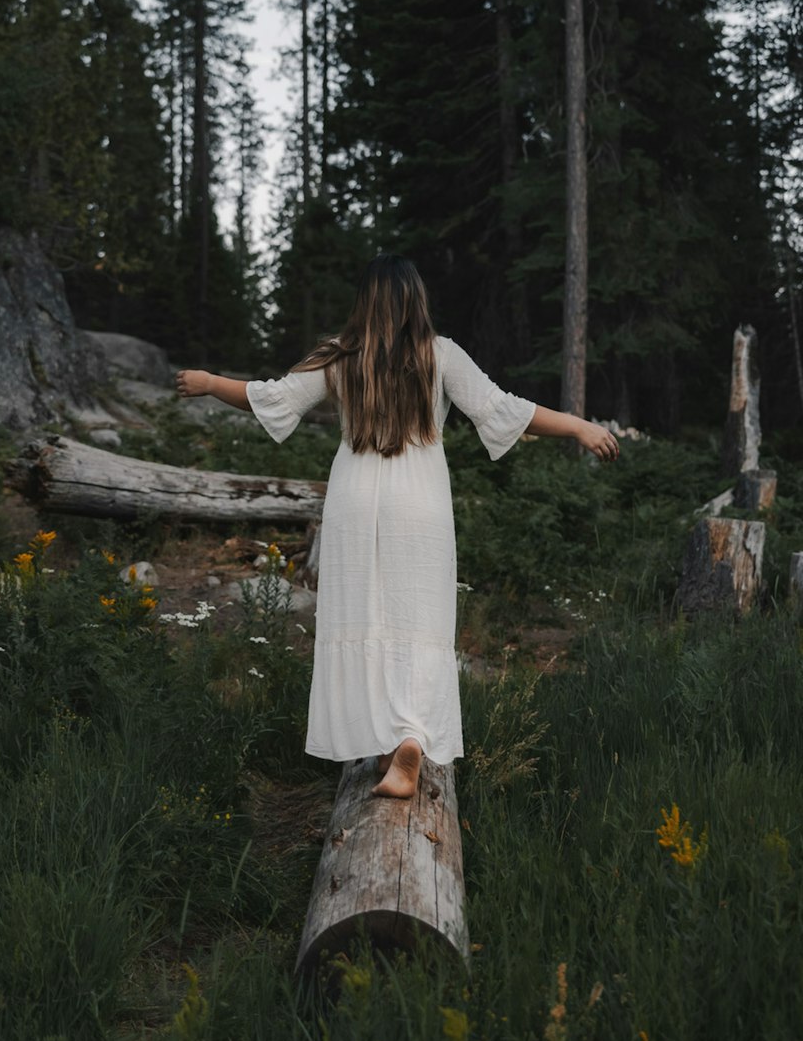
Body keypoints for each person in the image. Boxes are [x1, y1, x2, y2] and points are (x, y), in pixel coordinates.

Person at [176, 255, 618, 798]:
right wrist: (578, 426)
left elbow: (268, 397)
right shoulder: (440, 355)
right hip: (421, 497)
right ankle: (409, 738)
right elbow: (503, 410)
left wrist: (208, 380)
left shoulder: (341, 358)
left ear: (364, 303)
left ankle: (387, 741)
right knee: (417, 614)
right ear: (416, 302)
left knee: (363, 611)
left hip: (355, 498)